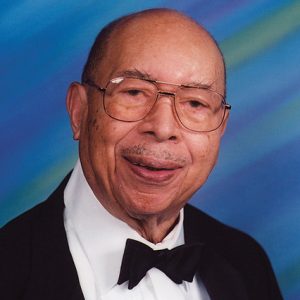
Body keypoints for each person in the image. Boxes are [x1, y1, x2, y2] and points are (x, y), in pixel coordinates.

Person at [0, 8, 283, 300]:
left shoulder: (247, 263)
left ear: (220, 128)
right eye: (134, 93)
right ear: (79, 112)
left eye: (196, 103)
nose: (162, 128)